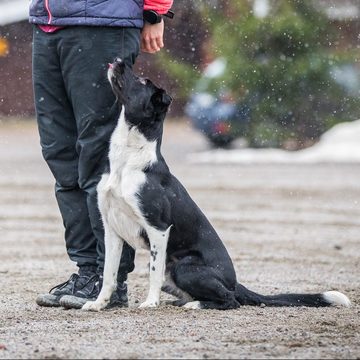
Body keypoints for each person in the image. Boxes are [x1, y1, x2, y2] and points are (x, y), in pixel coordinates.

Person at [30, 0, 173, 310]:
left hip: (103, 26)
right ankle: (87, 271)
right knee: (60, 152)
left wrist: (155, 11)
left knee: (99, 155)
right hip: (48, 27)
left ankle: (110, 278)